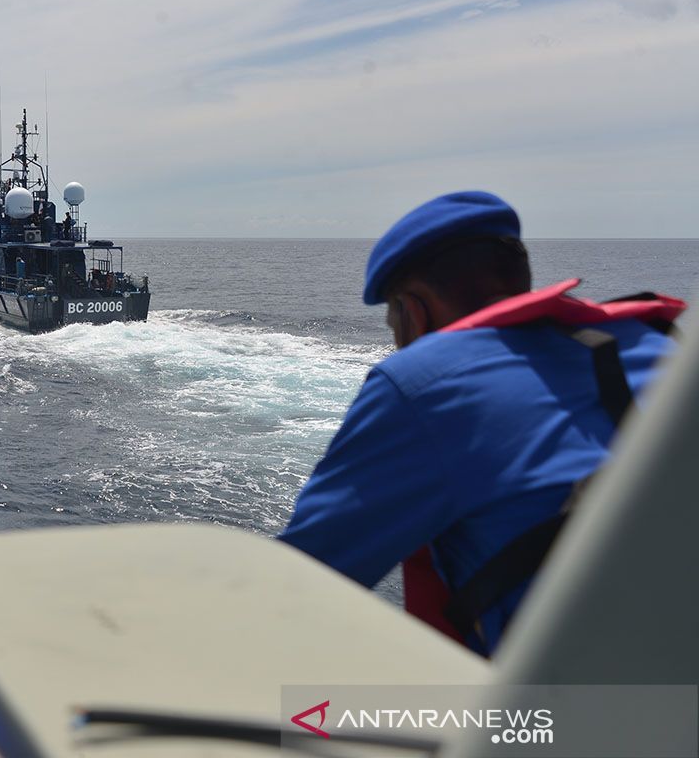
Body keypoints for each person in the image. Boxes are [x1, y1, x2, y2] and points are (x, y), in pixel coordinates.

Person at [277, 191, 684, 657]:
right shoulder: (659, 345)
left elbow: (300, 581)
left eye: (393, 319)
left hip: (580, 711)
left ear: (414, 309)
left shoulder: (422, 384)